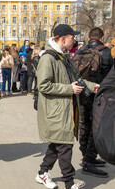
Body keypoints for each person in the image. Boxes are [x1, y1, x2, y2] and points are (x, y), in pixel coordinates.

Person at [35, 24, 100, 189]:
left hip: (66, 110)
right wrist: (69, 89)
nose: (75, 40)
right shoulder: (48, 58)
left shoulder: (63, 57)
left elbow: (78, 79)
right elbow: (43, 85)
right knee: (65, 146)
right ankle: (69, 183)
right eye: (72, 37)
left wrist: (94, 87)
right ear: (62, 39)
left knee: (57, 145)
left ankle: (42, 173)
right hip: (57, 112)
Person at [77, 27, 113, 178]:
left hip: (82, 92)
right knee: (96, 125)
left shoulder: (80, 51)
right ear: (102, 38)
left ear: (90, 37)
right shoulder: (106, 52)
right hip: (99, 95)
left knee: (84, 123)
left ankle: (85, 155)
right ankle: (89, 160)